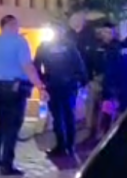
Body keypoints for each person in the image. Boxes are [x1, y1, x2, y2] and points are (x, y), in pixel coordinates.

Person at [0, 15, 49, 176]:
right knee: (12, 126)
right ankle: (7, 165)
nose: (18, 28)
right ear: (12, 24)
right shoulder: (20, 42)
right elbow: (27, 66)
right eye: (17, 25)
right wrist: (40, 86)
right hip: (14, 86)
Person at [34, 22, 88, 157]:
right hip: (61, 85)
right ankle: (67, 146)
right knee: (65, 115)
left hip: (60, 85)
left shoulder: (49, 46)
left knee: (61, 116)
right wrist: (79, 80)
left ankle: (65, 145)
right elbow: (79, 65)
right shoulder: (65, 46)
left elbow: (36, 66)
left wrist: (43, 80)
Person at [87, 20, 119, 143]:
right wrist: (89, 79)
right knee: (93, 109)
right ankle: (92, 134)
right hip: (97, 80)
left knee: (108, 110)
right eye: (105, 32)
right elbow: (89, 62)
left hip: (111, 82)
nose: (107, 35)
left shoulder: (117, 47)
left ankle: (106, 135)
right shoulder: (96, 46)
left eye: (110, 32)